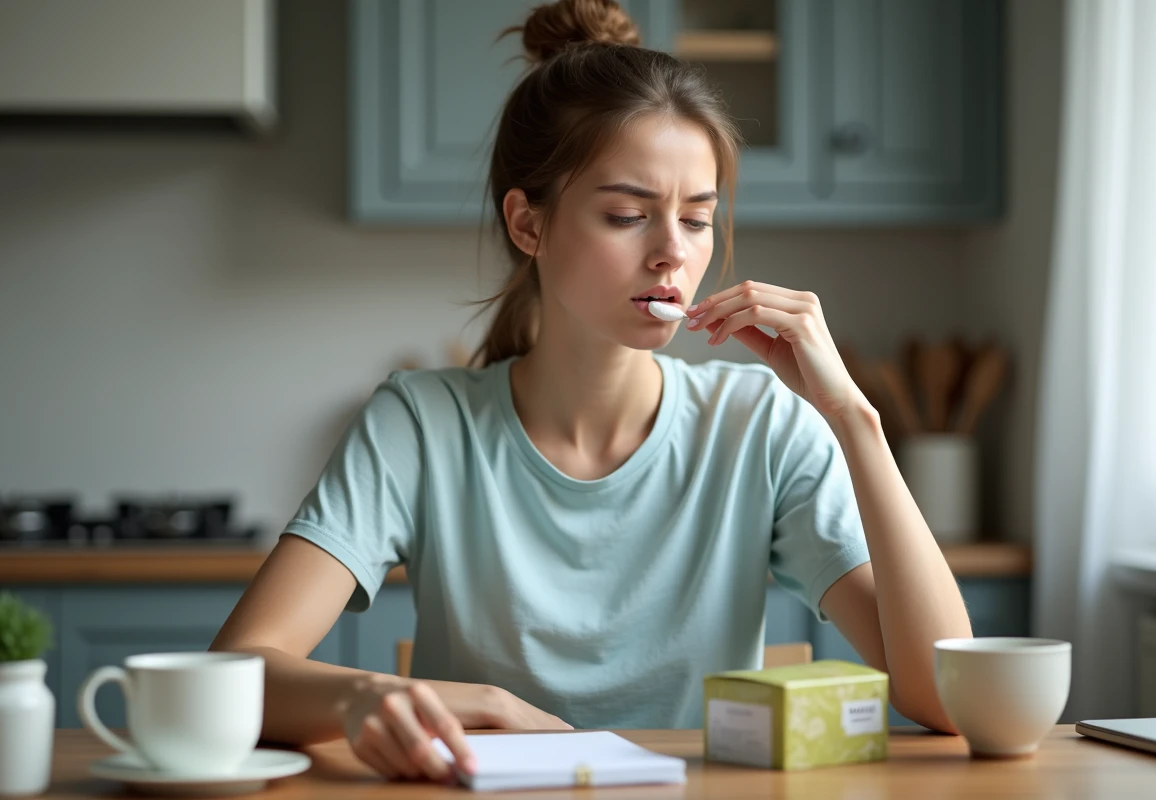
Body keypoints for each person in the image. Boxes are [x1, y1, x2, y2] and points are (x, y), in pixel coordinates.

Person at [211, 0, 972, 782]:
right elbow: (234, 672)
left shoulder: (764, 428)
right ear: (528, 224)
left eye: (698, 220)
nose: (672, 254)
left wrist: (854, 417)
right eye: (626, 215)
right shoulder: (420, 424)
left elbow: (949, 700)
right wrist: (365, 698)